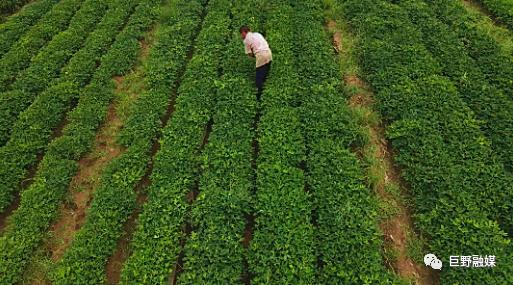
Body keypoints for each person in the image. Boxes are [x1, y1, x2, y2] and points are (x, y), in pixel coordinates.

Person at [240, 26, 272, 100]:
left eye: (241, 34)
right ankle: (266, 88)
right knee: (265, 73)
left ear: (243, 32)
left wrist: (256, 55)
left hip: (261, 55)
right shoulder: (257, 34)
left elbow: (249, 54)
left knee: (258, 78)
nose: (241, 36)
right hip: (269, 53)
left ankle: (260, 96)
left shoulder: (246, 40)